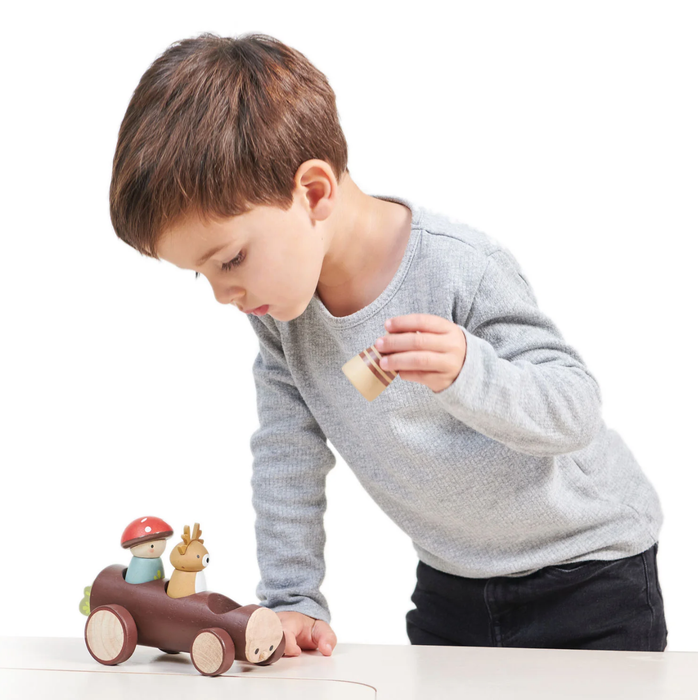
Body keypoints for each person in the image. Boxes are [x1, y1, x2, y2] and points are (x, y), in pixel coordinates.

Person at [108, 32, 667, 654]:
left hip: (590, 575)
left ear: (313, 192)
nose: (222, 294)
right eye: (202, 273)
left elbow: (576, 411)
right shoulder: (280, 318)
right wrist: (293, 599)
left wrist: (468, 372)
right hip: (452, 585)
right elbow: (286, 454)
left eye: (232, 259)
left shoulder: (460, 269)